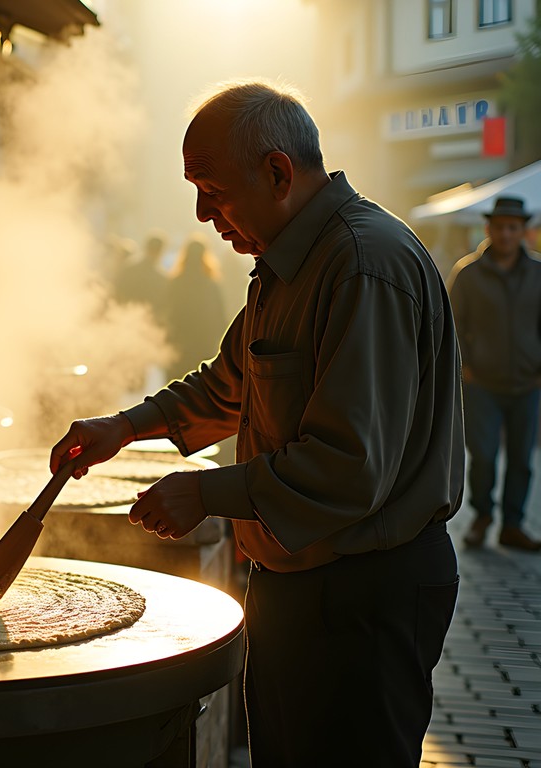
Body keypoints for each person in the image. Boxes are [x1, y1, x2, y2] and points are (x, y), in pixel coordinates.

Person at [49, 79, 463, 768]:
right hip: (301, 585)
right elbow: (229, 383)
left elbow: (347, 466)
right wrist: (122, 427)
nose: (203, 212)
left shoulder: (362, 264)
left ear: (277, 171)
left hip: (365, 593)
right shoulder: (287, 265)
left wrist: (205, 492)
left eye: (212, 188)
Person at [448, 196, 541, 551]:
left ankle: (512, 526)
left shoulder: (537, 273)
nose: (505, 234)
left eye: (513, 227)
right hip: (481, 383)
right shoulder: (468, 273)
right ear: (488, 229)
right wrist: (466, 367)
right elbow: (452, 326)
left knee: (522, 459)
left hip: (527, 383)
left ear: (523, 231)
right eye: (500, 227)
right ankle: (482, 516)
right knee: (483, 455)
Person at [165, 232, 228, 378]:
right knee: (202, 384)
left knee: (179, 384)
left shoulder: (176, 282)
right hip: (204, 342)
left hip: (181, 342)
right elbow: (220, 315)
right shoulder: (211, 282)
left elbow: (169, 312)